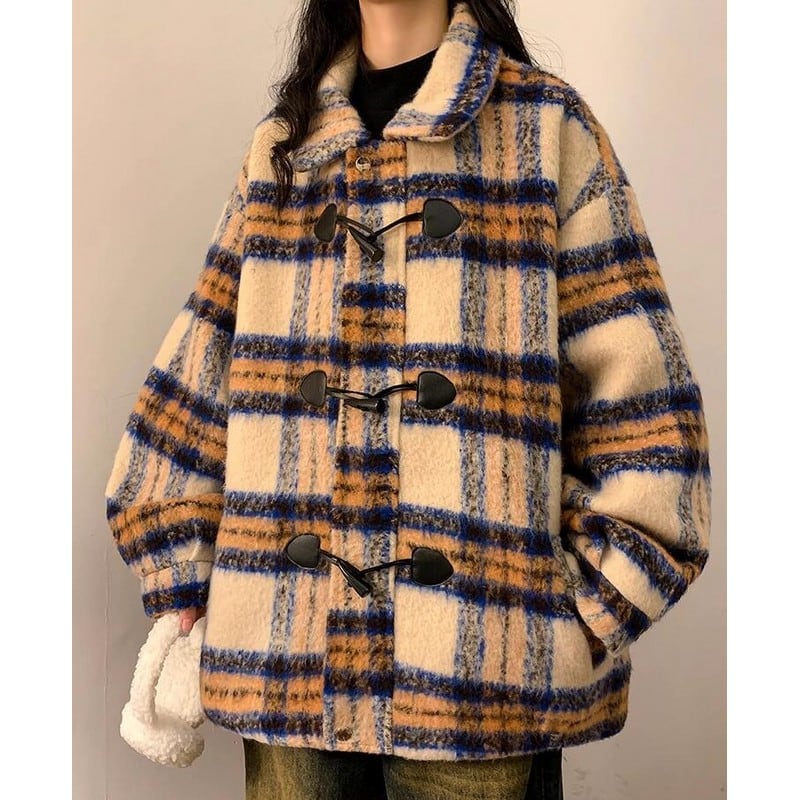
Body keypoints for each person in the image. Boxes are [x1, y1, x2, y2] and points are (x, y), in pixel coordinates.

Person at [104, 1, 711, 798]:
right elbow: (199, 366)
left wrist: (586, 608)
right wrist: (178, 558)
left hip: (484, 675)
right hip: (287, 664)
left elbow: (647, 401)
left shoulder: (543, 129)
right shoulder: (284, 151)